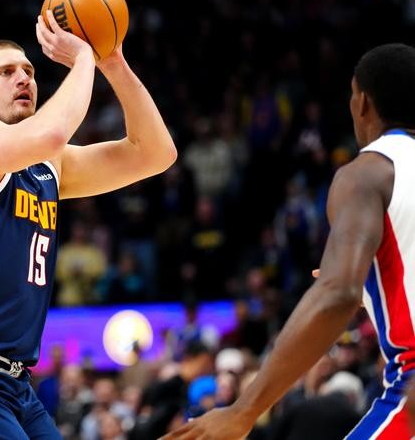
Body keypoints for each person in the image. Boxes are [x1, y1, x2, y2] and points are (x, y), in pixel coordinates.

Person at [0, 10, 177, 439]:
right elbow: (51, 134)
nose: (23, 78)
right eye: (6, 72)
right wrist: (82, 59)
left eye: (28, 70)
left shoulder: (47, 167)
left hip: (13, 382)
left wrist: (113, 63)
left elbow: (155, 154)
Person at [165, 42, 415, 439]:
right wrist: (372, 288)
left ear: (363, 102)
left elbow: (337, 294)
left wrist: (244, 410)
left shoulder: (368, 172)